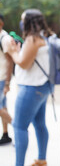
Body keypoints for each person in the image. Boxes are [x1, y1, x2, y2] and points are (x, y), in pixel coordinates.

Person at [6, 9, 54, 166]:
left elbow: (24, 64)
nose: (21, 22)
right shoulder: (44, 37)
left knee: (19, 127)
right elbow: (29, 59)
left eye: (22, 19)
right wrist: (19, 51)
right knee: (39, 124)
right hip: (43, 87)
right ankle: (41, 159)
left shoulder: (32, 39)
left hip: (31, 88)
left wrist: (13, 52)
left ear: (28, 22)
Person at [0, 14, 13, 145]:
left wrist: (7, 83)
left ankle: (19, 128)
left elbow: (10, 61)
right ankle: (5, 134)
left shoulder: (4, 38)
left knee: (0, 108)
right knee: (3, 106)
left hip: (2, 79)